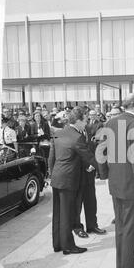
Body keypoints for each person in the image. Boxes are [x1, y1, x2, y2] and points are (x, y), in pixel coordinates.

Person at [96, 93, 134, 268]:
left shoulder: (110, 123)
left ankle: (122, 267)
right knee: (130, 229)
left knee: (120, 227)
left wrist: (104, 175)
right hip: (131, 186)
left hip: (116, 183)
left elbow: (101, 151)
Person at [48, 106, 98, 255]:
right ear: (78, 120)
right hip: (69, 180)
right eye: (85, 120)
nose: (86, 123)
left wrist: (52, 175)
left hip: (57, 178)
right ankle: (68, 246)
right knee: (67, 214)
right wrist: (106, 169)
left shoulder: (60, 133)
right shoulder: (77, 137)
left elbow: (52, 157)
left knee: (58, 213)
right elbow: (89, 157)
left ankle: (58, 244)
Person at [73, 109, 107, 238]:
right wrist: (87, 165)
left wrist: (93, 164)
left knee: (91, 200)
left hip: (90, 171)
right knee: (77, 201)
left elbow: (91, 148)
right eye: (85, 118)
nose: (88, 120)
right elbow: (75, 153)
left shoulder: (87, 129)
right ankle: (77, 227)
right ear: (78, 120)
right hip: (78, 172)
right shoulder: (72, 132)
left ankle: (92, 225)